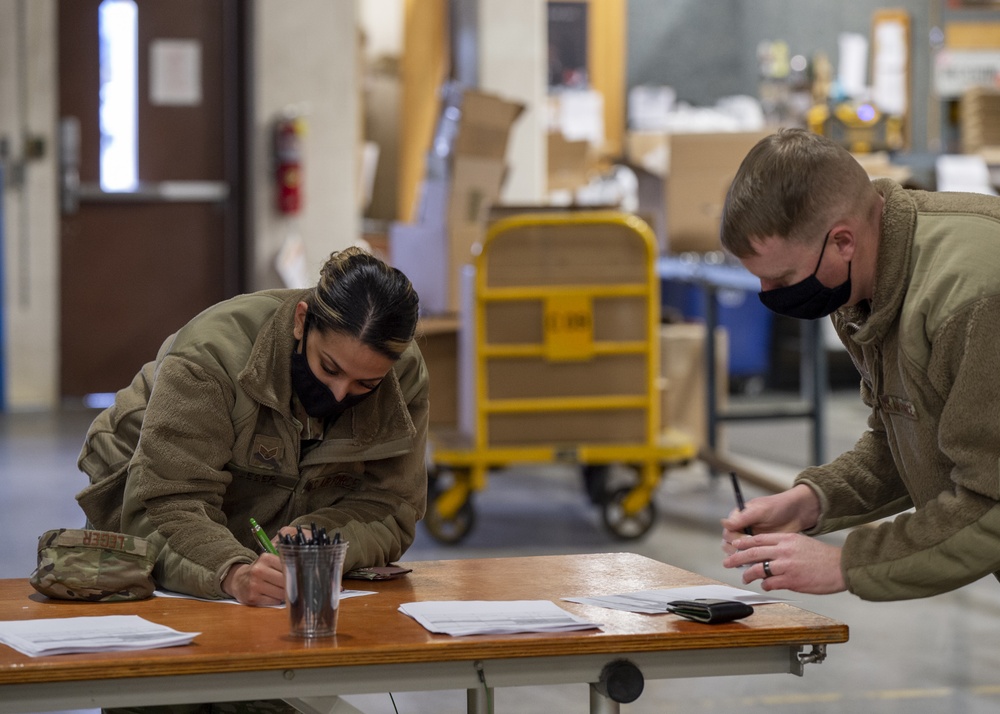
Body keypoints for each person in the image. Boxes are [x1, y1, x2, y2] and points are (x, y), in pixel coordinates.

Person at [718, 127, 1000, 601]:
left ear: (842, 241)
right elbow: (910, 438)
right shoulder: (861, 288)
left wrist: (848, 563)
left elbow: (990, 498)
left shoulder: (972, 297)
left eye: (782, 278)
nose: (771, 297)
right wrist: (813, 501)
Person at [76, 246, 428, 608]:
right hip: (146, 496)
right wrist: (233, 573)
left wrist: (318, 536)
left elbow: (393, 504)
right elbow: (166, 504)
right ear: (301, 322)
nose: (339, 395)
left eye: (365, 385)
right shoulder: (209, 357)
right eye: (330, 369)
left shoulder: (402, 375)